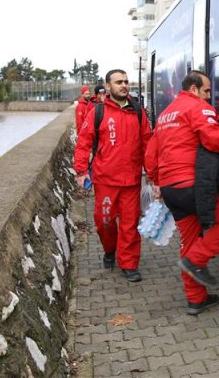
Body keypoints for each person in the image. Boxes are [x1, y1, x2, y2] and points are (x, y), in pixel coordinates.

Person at [144, 70, 219, 315]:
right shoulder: (197, 107)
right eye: (206, 91)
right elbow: (215, 140)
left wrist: (157, 182)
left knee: (188, 239)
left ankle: (196, 299)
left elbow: (150, 156)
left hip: (170, 188)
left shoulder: (165, 115)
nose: (209, 96)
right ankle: (195, 261)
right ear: (194, 89)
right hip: (192, 185)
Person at [74, 69, 152, 282]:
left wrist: (153, 175)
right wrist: (81, 171)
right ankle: (110, 250)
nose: (124, 85)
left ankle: (128, 263)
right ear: (108, 87)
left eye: (126, 81)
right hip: (105, 180)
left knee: (130, 224)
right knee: (104, 222)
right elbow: (83, 143)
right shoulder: (97, 112)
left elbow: (148, 145)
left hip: (132, 181)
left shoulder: (138, 111)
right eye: (119, 82)